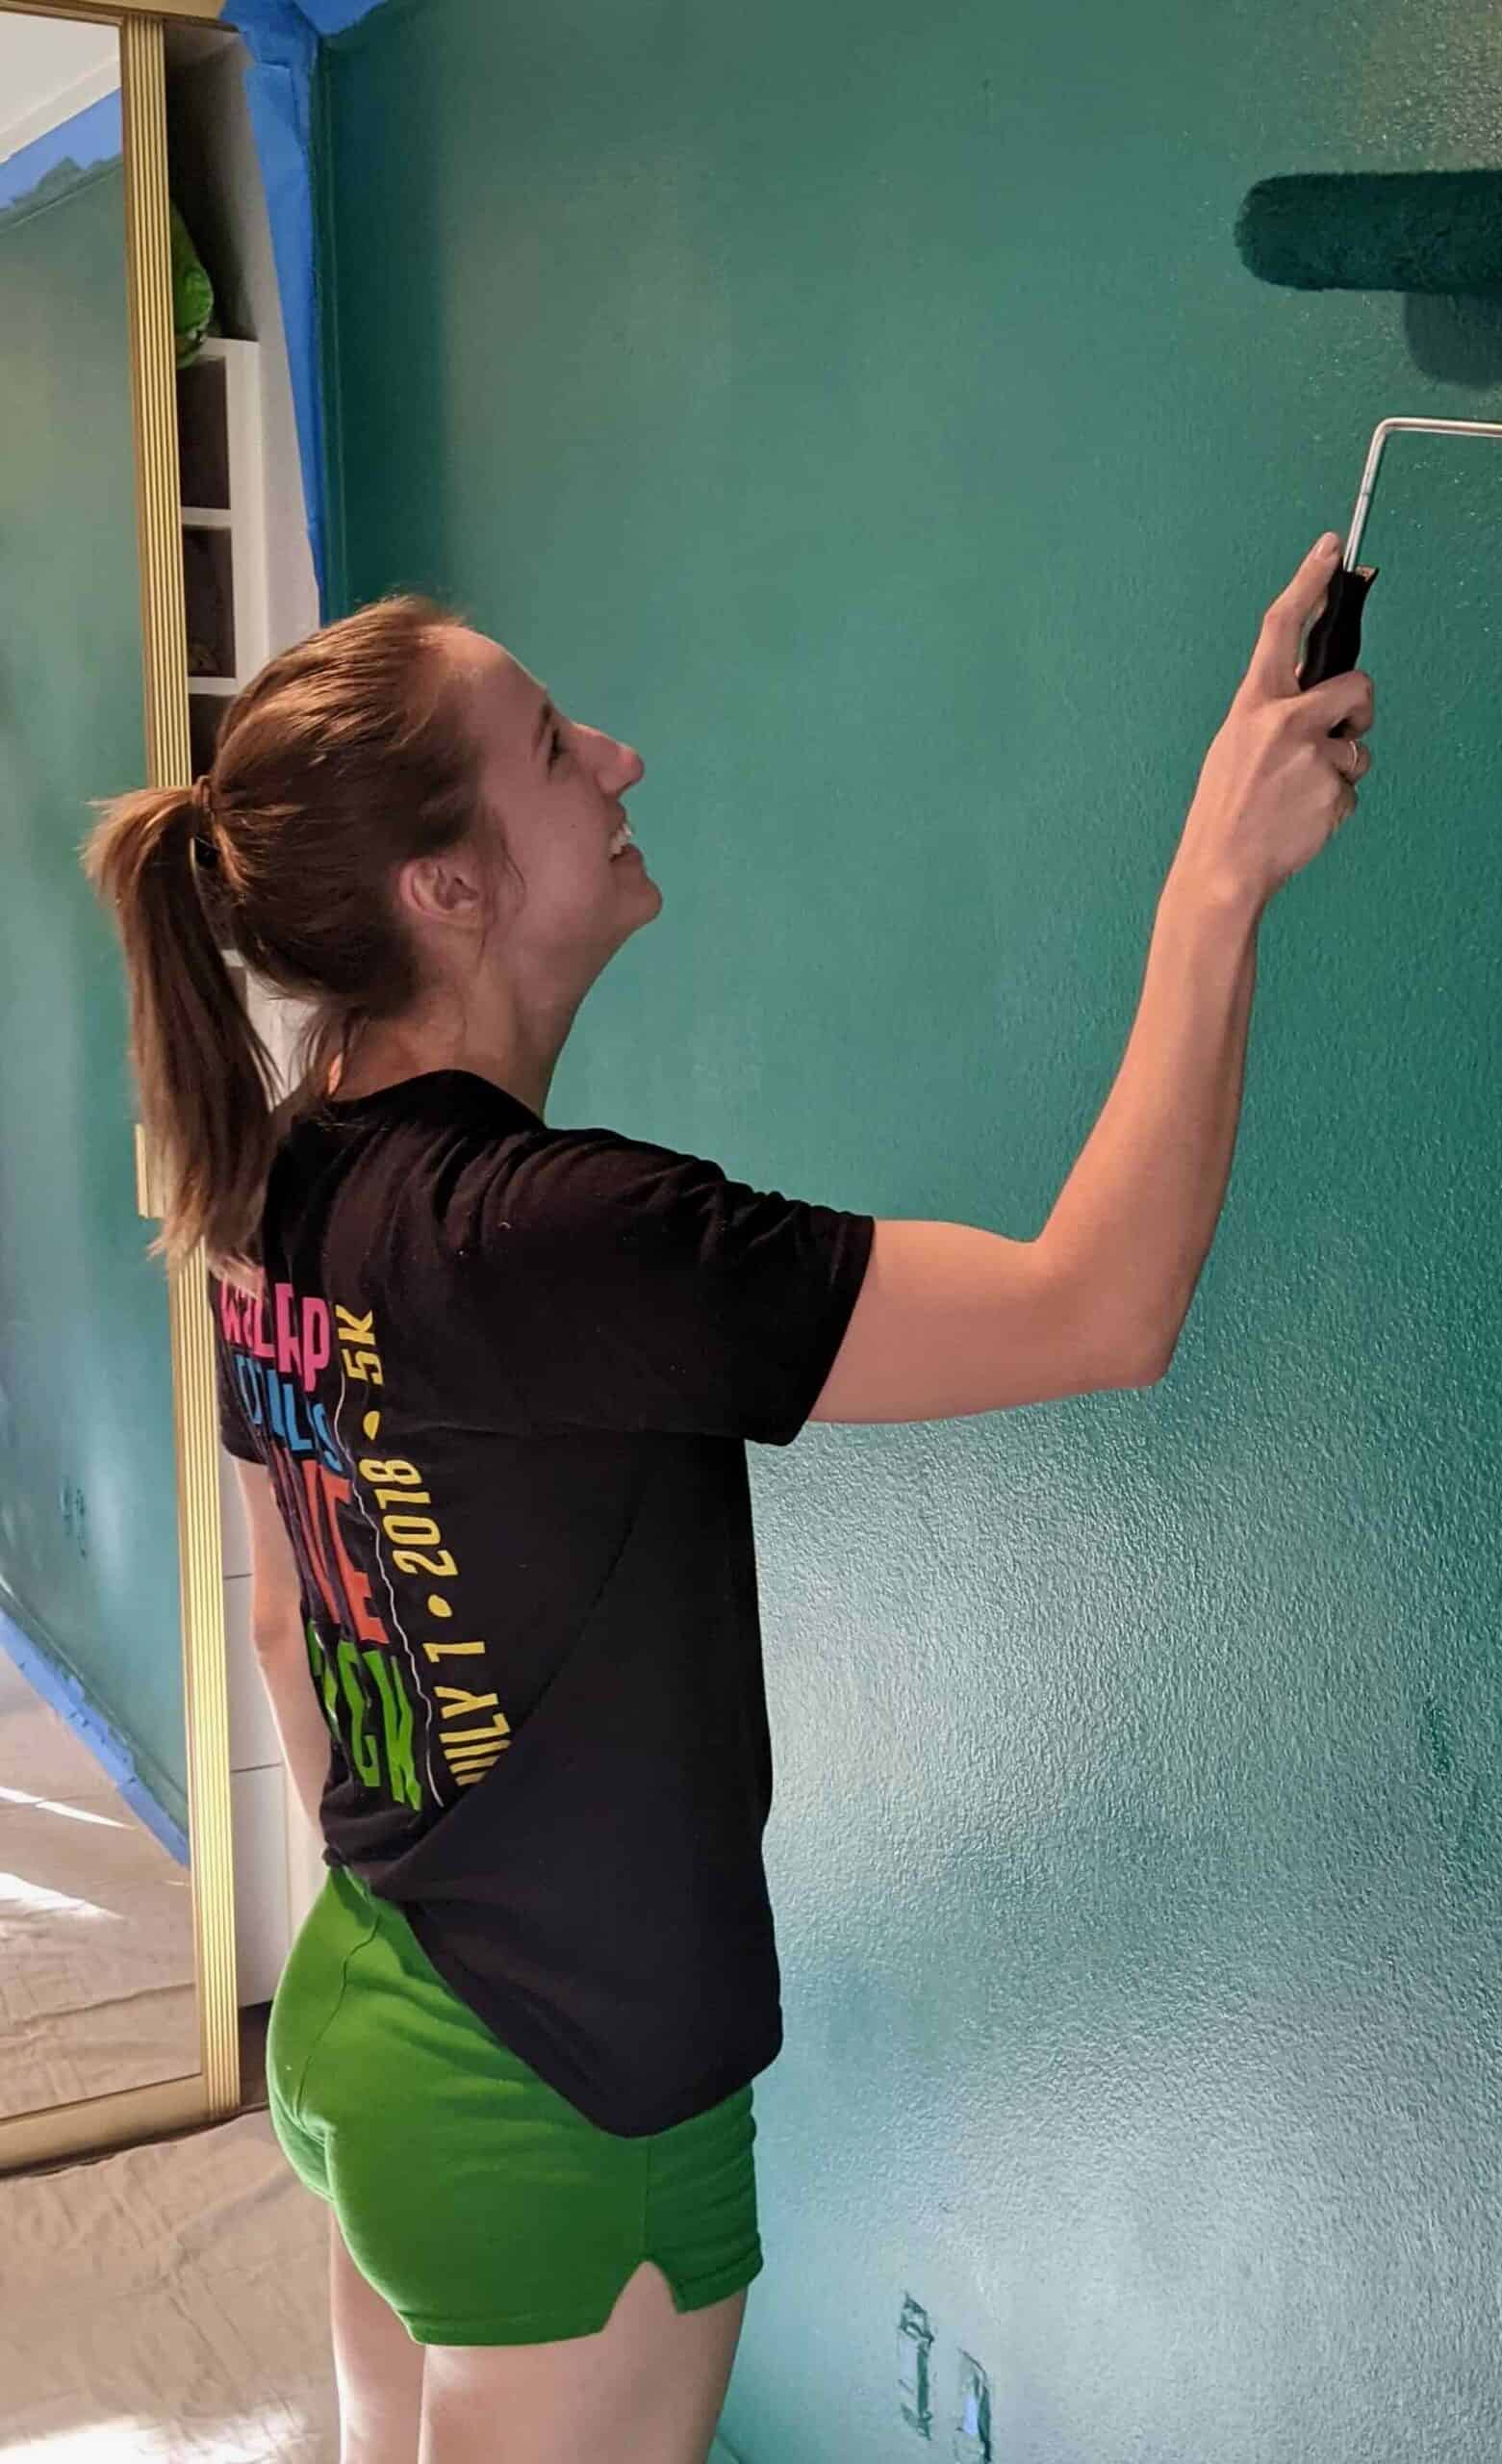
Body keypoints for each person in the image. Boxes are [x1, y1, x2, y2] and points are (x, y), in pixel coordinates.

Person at [83, 531, 1372, 2464]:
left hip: (369, 2012)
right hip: (566, 2105)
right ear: (446, 887)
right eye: (547, 747)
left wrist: (428, 1907)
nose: (616, 756)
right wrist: (1220, 875)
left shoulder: (271, 1183)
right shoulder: (562, 1236)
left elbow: (291, 1620)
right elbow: (1101, 1303)